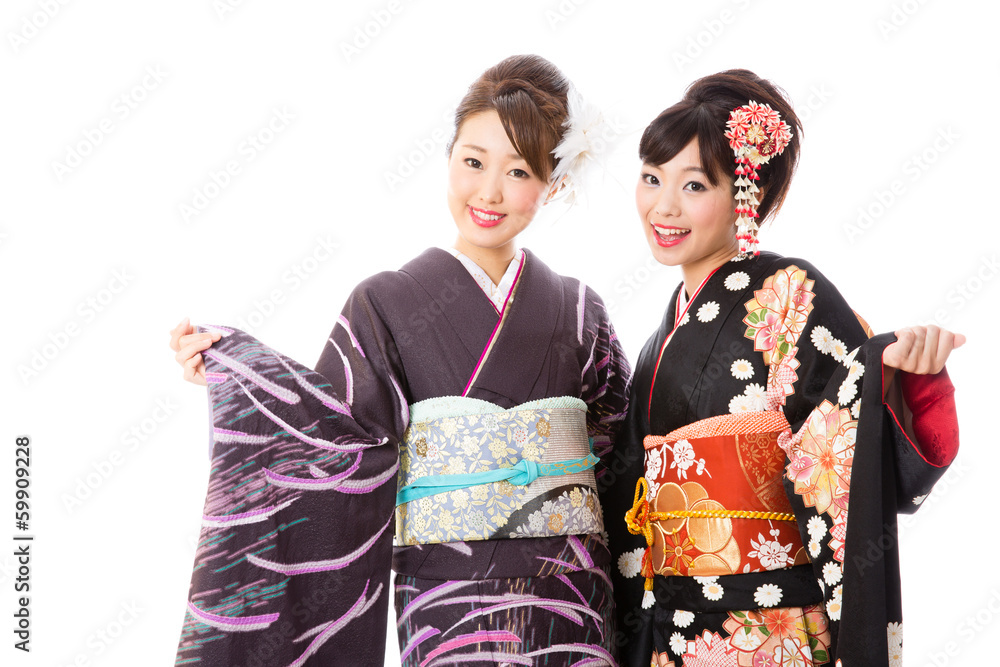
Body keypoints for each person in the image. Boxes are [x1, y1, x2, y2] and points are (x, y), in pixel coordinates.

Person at [168, 54, 630, 666]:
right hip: (444, 594)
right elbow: (330, 438)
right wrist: (238, 373)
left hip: (573, 591)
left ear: (555, 183)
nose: (489, 191)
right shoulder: (384, 302)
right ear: (448, 160)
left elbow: (621, 452)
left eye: (519, 171)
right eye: (473, 162)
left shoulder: (579, 309)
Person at [603, 70, 962, 667]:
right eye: (650, 178)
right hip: (672, 627)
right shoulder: (658, 336)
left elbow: (848, 423)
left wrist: (891, 378)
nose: (663, 206)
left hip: (769, 627)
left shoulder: (791, 293)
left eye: (694, 185)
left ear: (748, 195)